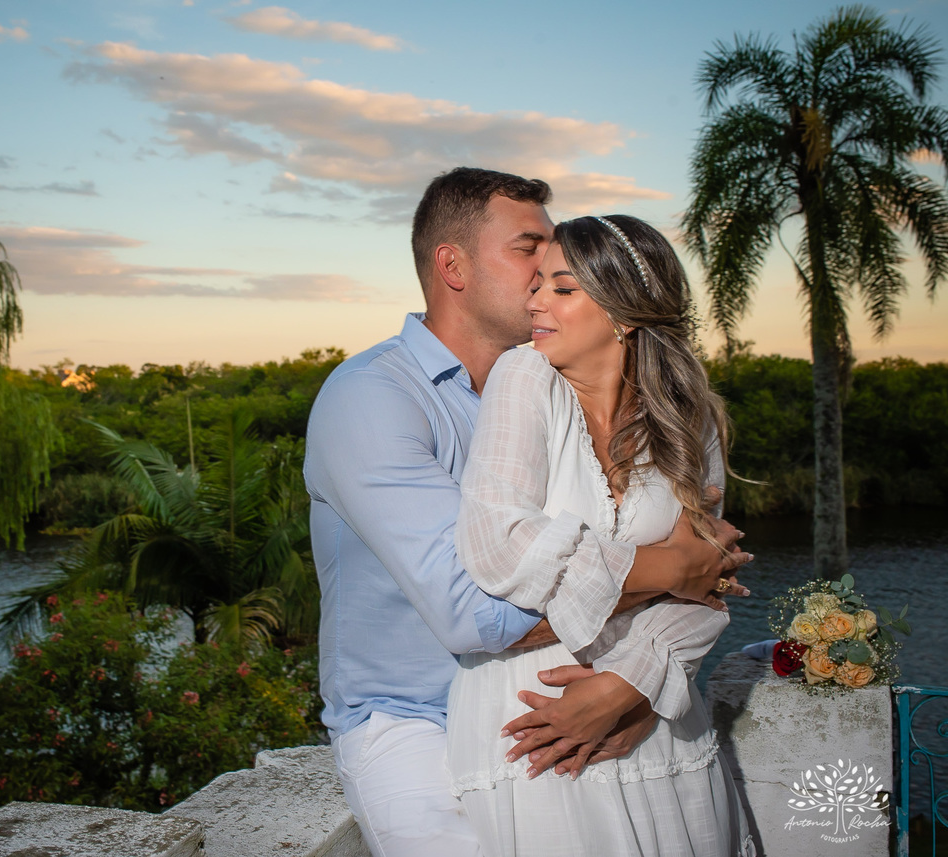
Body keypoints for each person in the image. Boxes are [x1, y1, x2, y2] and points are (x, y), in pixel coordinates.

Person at [304, 169, 749, 857]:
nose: (548, 262)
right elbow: (474, 614)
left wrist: (634, 684)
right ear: (453, 266)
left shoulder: (570, 383)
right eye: (529, 248)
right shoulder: (372, 397)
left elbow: (701, 565)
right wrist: (675, 571)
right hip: (412, 718)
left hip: (572, 690)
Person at [448, 214, 755, 856]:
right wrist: (672, 569)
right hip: (536, 715)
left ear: (625, 312)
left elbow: (713, 584)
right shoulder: (523, 376)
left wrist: (629, 687)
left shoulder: (689, 416)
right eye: (537, 283)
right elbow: (498, 546)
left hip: (654, 715)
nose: (534, 301)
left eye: (562, 288)